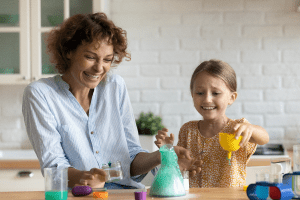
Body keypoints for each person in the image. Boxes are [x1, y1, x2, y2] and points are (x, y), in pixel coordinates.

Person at [22, 12, 200, 190]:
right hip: (80, 195)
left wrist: (162, 157)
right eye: (90, 57)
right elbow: (54, 167)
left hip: (125, 194)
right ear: (69, 51)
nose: (99, 68)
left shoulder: (115, 86)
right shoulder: (41, 94)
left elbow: (130, 156)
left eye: (107, 60)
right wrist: (88, 177)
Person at [155, 59, 269, 188]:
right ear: (192, 95)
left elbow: (264, 138)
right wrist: (168, 152)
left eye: (215, 93)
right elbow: (178, 172)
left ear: (231, 97)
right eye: (200, 93)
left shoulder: (238, 129)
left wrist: (251, 128)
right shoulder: (188, 130)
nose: (207, 99)